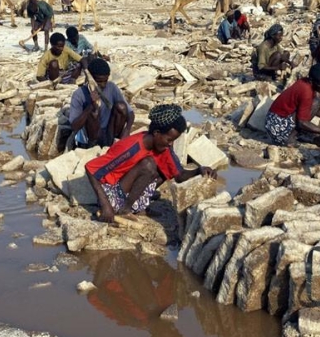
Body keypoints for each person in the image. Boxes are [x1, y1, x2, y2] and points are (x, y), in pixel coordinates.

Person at [84, 104, 216, 223]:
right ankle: (125, 209)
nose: (170, 144)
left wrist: (199, 170)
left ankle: (138, 206)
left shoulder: (163, 147)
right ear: (157, 133)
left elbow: (179, 175)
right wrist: (105, 205)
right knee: (149, 164)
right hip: (110, 194)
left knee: (165, 170)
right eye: (169, 139)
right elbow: (91, 169)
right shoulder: (132, 147)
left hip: (127, 194)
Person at [265, 64, 320, 146]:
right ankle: (289, 139)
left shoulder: (305, 82)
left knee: (316, 103)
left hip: (272, 120)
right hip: (276, 127)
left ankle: (293, 134)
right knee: (316, 103)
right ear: (312, 80)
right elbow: (301, 122)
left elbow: (314, 109)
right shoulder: (306, 91)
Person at [68, 58, 134, 149]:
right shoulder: (79, 94)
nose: (103, 85)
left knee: (121, 107)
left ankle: (112, 143)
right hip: (90, 137)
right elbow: (74, 126)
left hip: (108, 132)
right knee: (94, 112)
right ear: (89, 78)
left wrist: (127, 129)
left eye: (105, 81)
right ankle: (94, 146)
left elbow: (130, 112)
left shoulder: (111, 87)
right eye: (99, 81)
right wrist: (90, 106)